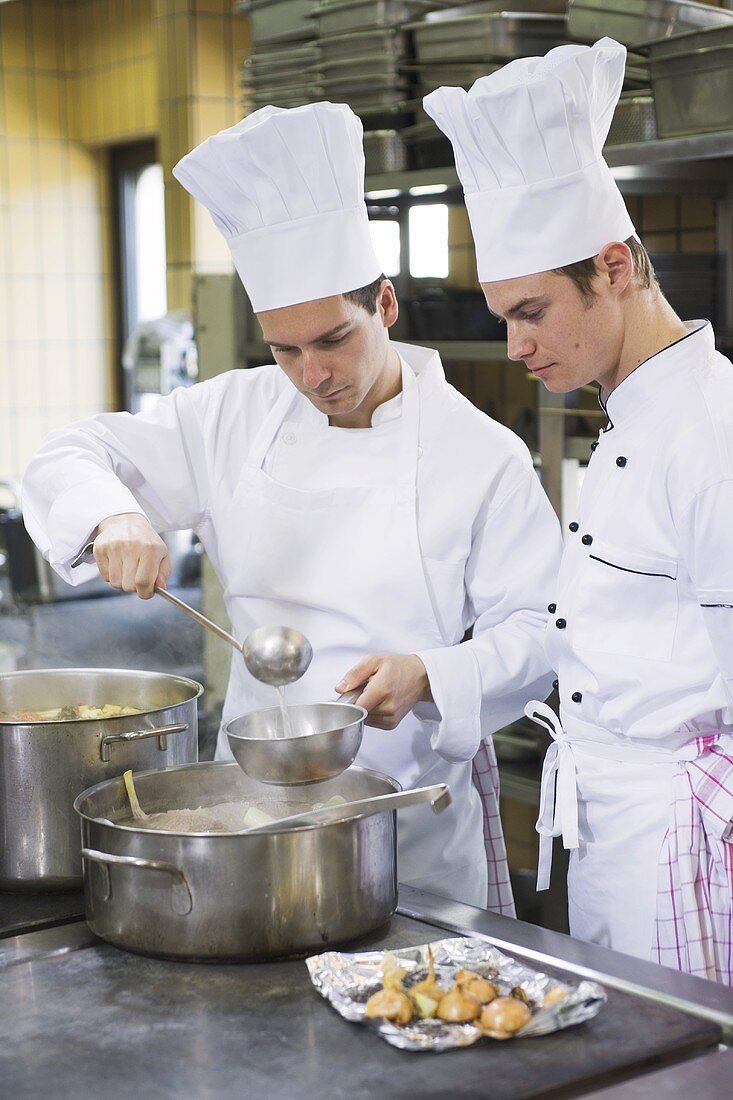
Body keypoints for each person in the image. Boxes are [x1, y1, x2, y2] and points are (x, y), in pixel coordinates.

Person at [22, 102, 562, 909]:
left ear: (383, 304)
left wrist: (432, 672)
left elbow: (543, 629)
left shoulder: (479, 453)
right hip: (253, 813)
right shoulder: (231, 414)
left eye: (333, 340)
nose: (313, 375)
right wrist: (114, 516)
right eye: (286, 350)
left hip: (404, 814)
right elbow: (66, 454)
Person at [425, 38, 733, 978]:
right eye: (502, 318)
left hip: (683, 851)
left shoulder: (710, 431)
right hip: (610, 832)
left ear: (613, 265)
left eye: (530, 312)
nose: (515, 347)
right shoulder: (629, 413)